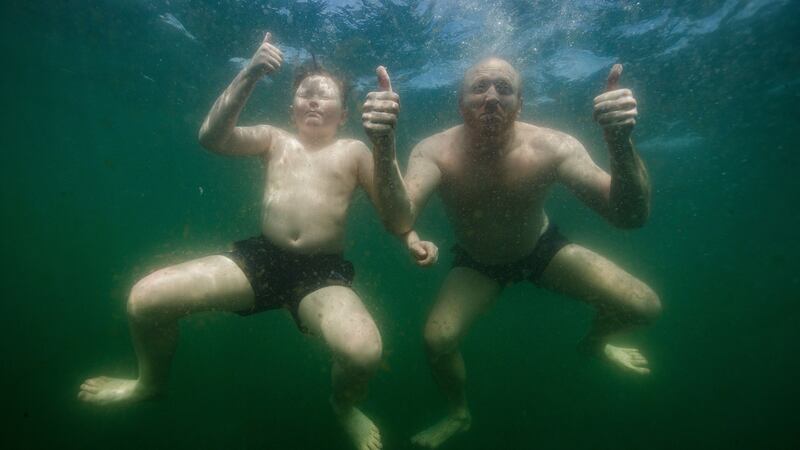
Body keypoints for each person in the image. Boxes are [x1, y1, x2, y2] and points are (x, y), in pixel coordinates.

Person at [78, 33, 434, 450]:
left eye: (326, 96)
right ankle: (149, 383)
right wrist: (249, 73)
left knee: (363, 353)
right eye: (306, 94)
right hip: (260, 259)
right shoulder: (273, 138)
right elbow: (212, 137)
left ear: (343, 115)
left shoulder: (355, 150)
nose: (314, 101)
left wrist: (385, 145)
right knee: (145, 299)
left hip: (321, 273)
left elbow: (398, 217)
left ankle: (343, 406)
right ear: (292, 108)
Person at [362, 58, 662, 448]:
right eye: (480, 87)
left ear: (520, 104)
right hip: (478, 262)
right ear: (460, 102)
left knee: (644, 306)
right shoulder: (434, 151)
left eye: (504, 89)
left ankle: (597, 342)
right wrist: (383, 146)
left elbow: (630, 216)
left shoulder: (553, 146)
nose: (491, 97)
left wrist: (619, 141)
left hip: (541, 248)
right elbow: (399, 220)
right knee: (436, 341)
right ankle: (458, 413)